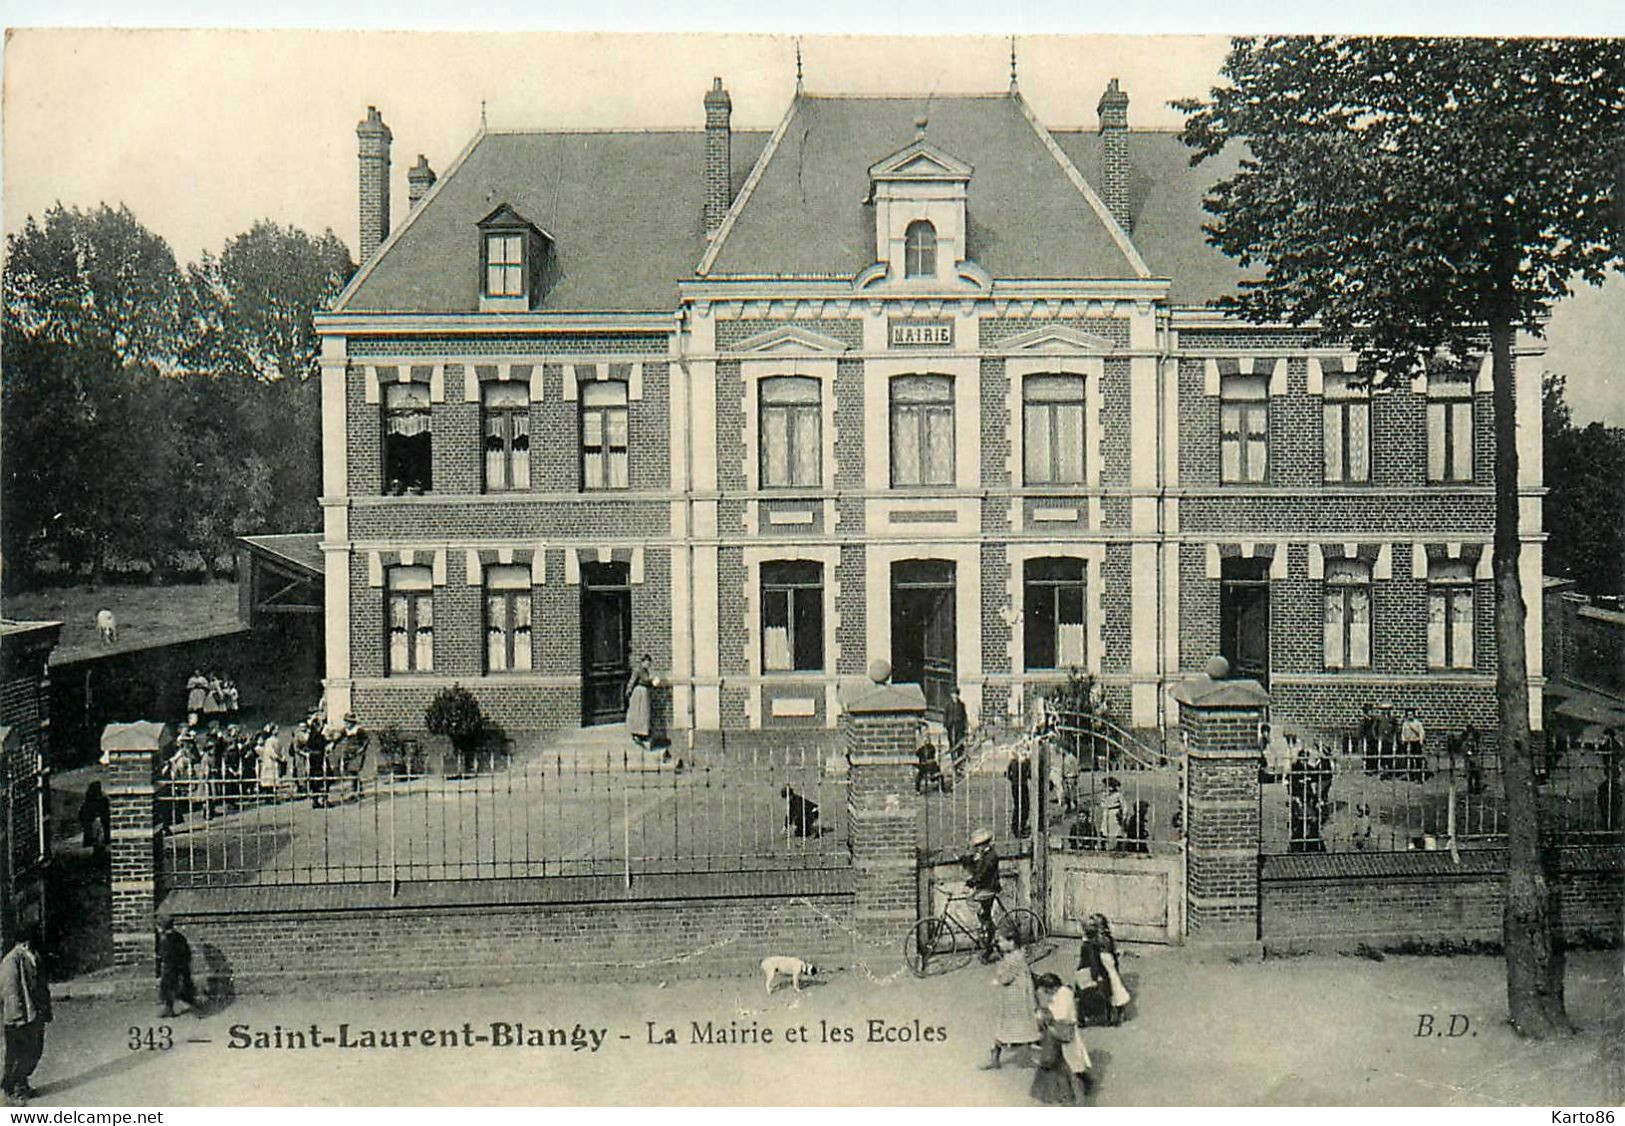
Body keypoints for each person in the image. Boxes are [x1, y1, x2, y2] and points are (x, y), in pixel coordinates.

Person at [0, 928, 51, 1104]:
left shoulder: (33, 956)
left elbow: (41, 985)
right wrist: (17, 1017)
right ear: (25, 942)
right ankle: (12, 1088)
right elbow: (10, 992)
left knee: (35, 1049)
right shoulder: (11, 961)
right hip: (20, 1018)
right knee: (17, 1054)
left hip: (35, 1014)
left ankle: (22, 1082)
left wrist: (46, 1011)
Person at [980, 926, 1039, 1071]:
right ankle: (1034, 1056)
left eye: (1000, 941)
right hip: (1018, 997)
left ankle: (997, 1057)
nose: (998, 944)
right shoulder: (1017, 955)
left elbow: (1005, 978)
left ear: (1011, 942)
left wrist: (998, 971)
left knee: (1007, 1026)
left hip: (1015, 999)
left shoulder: (1013, 959)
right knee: (1024, 1026)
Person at [1030, 973, 1091, 1105]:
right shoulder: (1064, 992)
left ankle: (1075, 1099)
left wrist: (1045, 1013)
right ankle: (1070, 1096)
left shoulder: (1064, 995)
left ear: (1052, 987)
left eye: (1047, 990)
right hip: (1061, 1034)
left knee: (1070, 1068)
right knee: (1067, 1067)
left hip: (1064, 1034)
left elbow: (1060, 1016)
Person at [960, 827, 1000, 960]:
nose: (978, 848)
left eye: (980, 845)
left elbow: (983, 873)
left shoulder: (992, 856)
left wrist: (971, 883)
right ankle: (986, 927)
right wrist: (966, 859)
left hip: (989, 889)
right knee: (982, 915)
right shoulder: (983, 855)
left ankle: (989, 943)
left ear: (986, 844)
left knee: (973, 901)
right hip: (984, 888)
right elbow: (976, 865)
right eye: (977, 846)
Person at [1089, 913, 1132, 1025]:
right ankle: (1111, 1014)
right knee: (1108, 991)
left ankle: (1116, 1012)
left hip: (1108, 966)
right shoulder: (1102, 939)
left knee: (1113, 989)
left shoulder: (1102, 940)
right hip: (1106, 966)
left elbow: (1107, 954)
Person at [156, 914, 199, 1018]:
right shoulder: (179, 936)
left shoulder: (166, 939)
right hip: (181, 966)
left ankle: (170, 1008)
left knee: (168, 987)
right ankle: (187, 1004)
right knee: (182, 985)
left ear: (162, 928)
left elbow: (164, 954)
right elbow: (187, 952)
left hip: (171, 967)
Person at [1287, 748, 1324, 852]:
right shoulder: (1295, 769)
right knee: (1304, 820)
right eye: (1302, 758)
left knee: (1312, 820)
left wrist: (1317, 799)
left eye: (1306, 758)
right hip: (1299, 798)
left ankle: (1312, 843)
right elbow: (1290, 785)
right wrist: (1295, 797)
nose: (1304, 761)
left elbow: (1314, 785)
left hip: (1309, 798)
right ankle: (1298, 844)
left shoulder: (1309, 769)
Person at [625, 654, 654, 750]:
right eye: (647, 663)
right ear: (643, 662)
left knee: (644, 713)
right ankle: (636, 733)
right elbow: (632, 681)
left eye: (649, 663)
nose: (648, 665)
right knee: (638, 712)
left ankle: (643, 733)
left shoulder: (646, 671)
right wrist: (629, 690)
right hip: (639, 693)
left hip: (645, 692)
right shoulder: (638, 670)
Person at [77, 781, 111, 859]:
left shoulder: (101, 800)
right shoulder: (93, 801)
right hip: (92, 822)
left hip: (96, 822)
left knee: (96, 835)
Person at [1005, 747, 1033, 838]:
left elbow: (1007, 774)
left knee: (1018, 806)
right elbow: (1030, 774)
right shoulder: (1025, 763)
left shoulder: (1012, 762)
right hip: (1022, 785)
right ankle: (1020, 827)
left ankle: (1016, 827)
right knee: (1024, 807)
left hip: (1015, 785)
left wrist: (1013, 780)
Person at [1098, 776, 1125, 850]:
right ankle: (1103, 844)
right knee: (1104, 828)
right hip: (1106, 813)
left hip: (1114, 813)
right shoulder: (1104, 795)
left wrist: (1123, 815)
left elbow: (1124, 806)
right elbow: (1102, 804)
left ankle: (1119, 845)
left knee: (1116, 829)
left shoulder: (1117, 795)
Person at [1400, 708, 1428, 781]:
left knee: (1418, 759)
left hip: (1416, 742)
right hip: (1408, 742)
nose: (1410, 716)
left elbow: (1421, 732)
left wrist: (1421, 740)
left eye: (1411, 715)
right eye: (1408, 715)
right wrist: (1403, 740)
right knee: (1409, 759)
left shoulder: (1417, 723)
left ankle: (1419, 776)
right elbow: (1403, 733)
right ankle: (1411, 775)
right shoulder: (1405, 723)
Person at [945, 688, 968, 756]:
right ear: (951, 695)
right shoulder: (948, 705)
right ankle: (953, 756)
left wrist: (965, 726)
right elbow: (946, 714)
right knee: (952, 740)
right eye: (953, 694)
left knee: (959, 740)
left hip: (959, 725)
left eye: (956, 694)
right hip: (951, 725)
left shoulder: (961, 705)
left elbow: (964, 716)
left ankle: (959, 756)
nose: (954, 696)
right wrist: (946, 724)